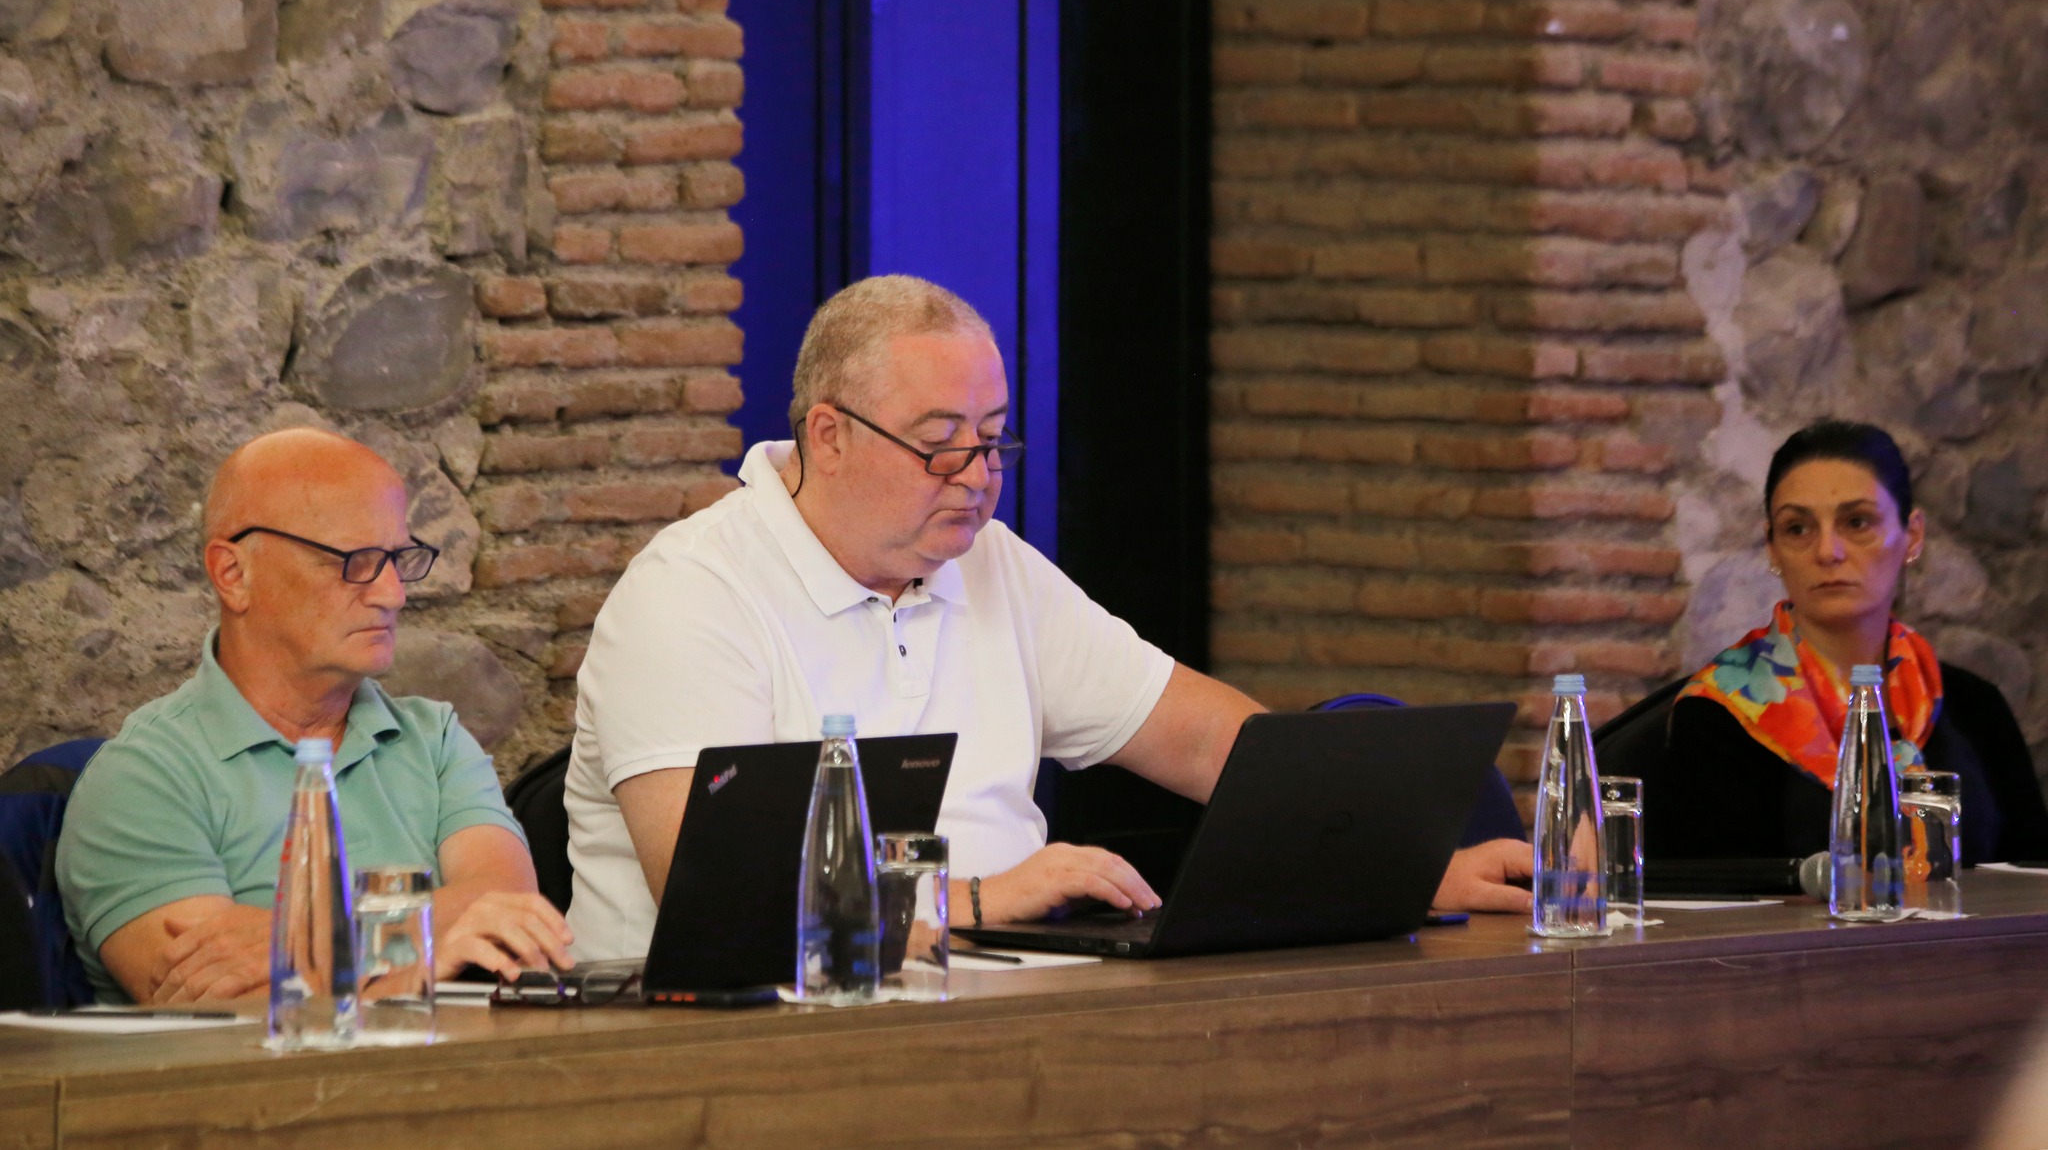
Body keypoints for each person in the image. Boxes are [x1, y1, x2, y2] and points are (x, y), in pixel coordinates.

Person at [564, 275, 1532, 962]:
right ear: (830, 434)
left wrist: (1399, 869)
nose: (978, 478)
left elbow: (1207, 741)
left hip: (1007, 1008)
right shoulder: (692, 593)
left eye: (993, 442)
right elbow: (719, 899)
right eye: (941, 446)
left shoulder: (992, 566)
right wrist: (983, 900)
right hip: (726, 1043)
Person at [57, 429, 573, 1004]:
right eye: (353, 561)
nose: (393, 594)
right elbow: (216, 1007)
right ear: (233, 574)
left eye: (396, 559)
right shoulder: (141, 777)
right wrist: (426, 949)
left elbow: (507, 912)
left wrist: (306, 940)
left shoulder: (435, 739)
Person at [1648, 420, 2048, 862]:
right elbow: (1716, 895)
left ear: (1912, 536)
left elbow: (2033, 876)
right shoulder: (1721, 715)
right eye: (1797, 529)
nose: (1828, 552)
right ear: (1772, 548)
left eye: (1857, 522)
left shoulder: (1974, 706)